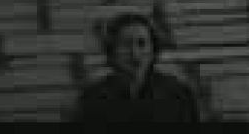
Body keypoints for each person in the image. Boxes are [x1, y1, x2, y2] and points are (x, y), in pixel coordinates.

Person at [72, 12, 200, 123]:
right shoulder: (93, 99)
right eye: (126, 44)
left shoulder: (178, 95)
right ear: (112, 51)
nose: (135, 53)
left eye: (142, 44)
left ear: (153, 50)